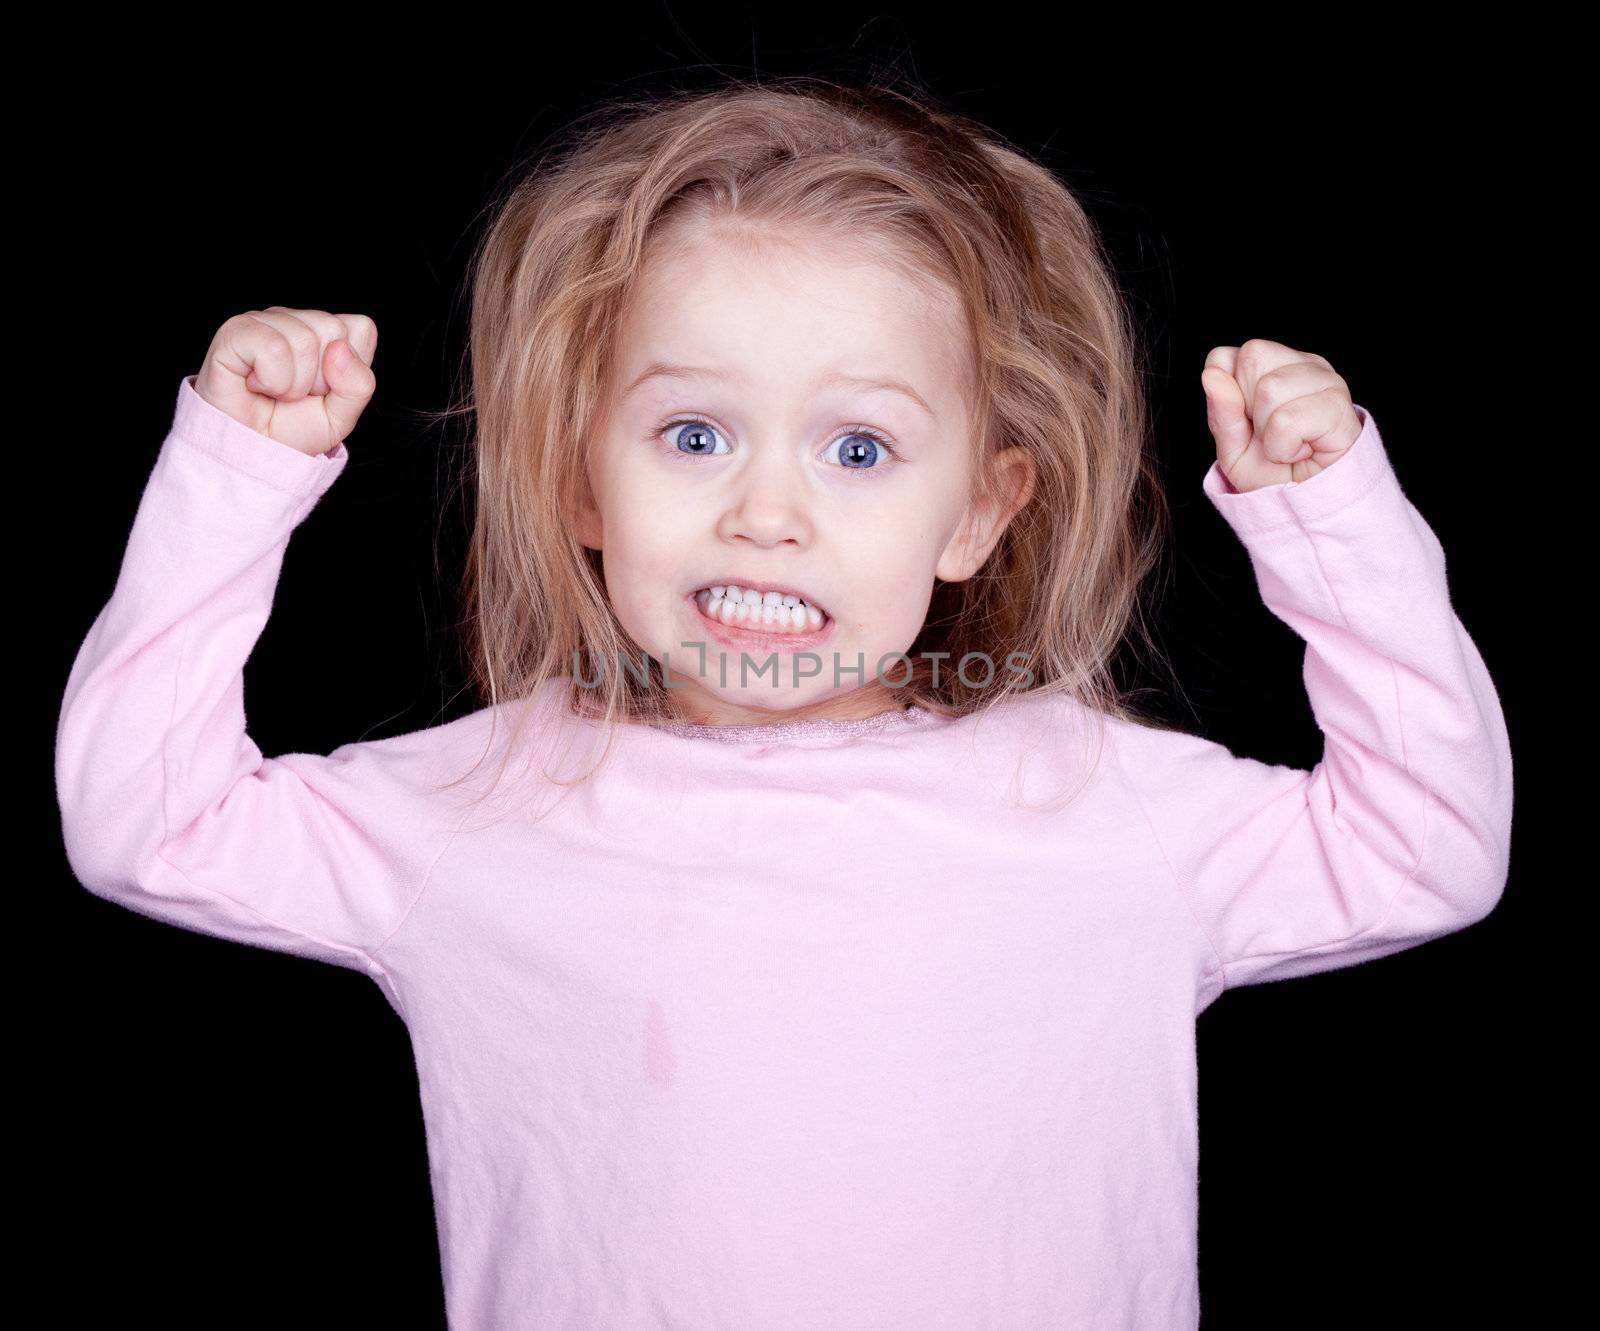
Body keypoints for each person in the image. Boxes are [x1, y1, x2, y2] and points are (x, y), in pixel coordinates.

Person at [55, 76, 1512, 1329]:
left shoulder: (1107, 811)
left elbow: (1428, 844)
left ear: (980, 516)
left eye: (861, 451)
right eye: (694, 433)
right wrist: (235, 482)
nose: (766, 511)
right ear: (579, 476)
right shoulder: (473, 812)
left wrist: (1330, 524)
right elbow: (148, 822)